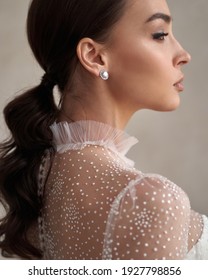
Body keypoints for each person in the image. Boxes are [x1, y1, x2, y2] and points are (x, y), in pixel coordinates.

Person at [0, 0, 207, 260]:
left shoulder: (35, 179)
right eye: (160, 35)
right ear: (94, 56)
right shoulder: (152, 200)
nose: (184, 55)